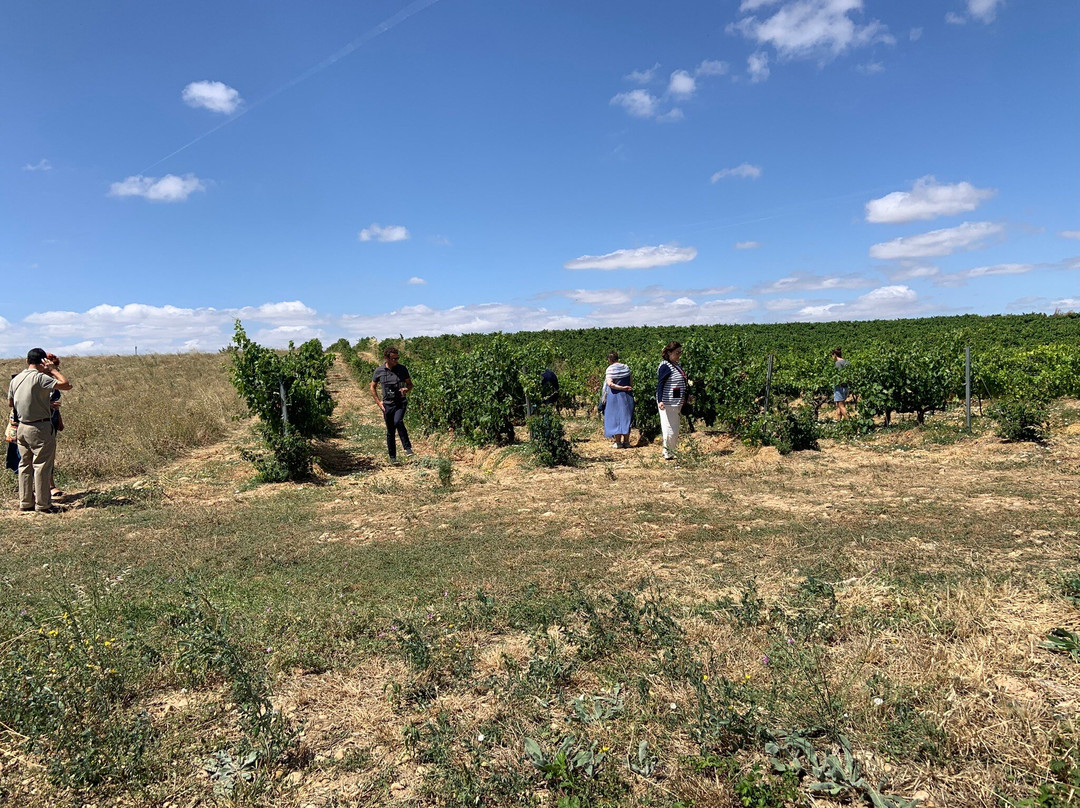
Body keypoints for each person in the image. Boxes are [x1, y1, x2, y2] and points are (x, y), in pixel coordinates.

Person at [8, 348, 72, 512]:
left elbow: (11, 403)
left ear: (27, 360)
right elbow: (66, 385)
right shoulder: (40, 377)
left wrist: (39, 403)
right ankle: (44, 504)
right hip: (39, 427)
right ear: (43, 361)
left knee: (24, 465)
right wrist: (53, 370)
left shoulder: (16, 379)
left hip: (22, 427)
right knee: (42, 465)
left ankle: (26, 502)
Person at [370, 346, 414, 462]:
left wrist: (406, 389)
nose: (396, 361)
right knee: (390, 431)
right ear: (386, 358)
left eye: (397, 358)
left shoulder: (402, 369)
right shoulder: (379, 371)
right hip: (387, 405)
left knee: (398, 421)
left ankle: (407, 447)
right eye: (393, 359)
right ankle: (393, 457)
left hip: (400, 402)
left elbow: (410, 384)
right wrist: (379, 403)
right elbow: (372, 386)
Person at [656, 342, 688, 461]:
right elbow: (661, 383)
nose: (679, 355)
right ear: (669, 353)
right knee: (669, 427)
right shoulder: (665, 366)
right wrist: (660, 400)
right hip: (667, 401)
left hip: (676, 401)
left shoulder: (676, 365)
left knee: (674, 427)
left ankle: (669, 451)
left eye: (680, 352)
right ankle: (668, 452)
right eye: (677, 353)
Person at [602, 352, 634, 449]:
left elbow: (610, 384)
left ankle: (618, 442)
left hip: (614, 395)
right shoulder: (626, 367)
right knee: (626, 417)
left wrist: (621, 388)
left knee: (615, 418)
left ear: (609, 360)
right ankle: (627, 442)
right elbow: (631, 381)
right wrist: (626, 388)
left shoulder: (610, 369)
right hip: (627, 395)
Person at [831, 348, 850, 420]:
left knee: (841, 406)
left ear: (835, 355)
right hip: (846, 386)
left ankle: (850, 422)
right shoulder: (847, 362)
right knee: (839, 405)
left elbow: (838, 376)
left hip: (840, 387)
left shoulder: (838, 363)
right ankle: (839, 421)